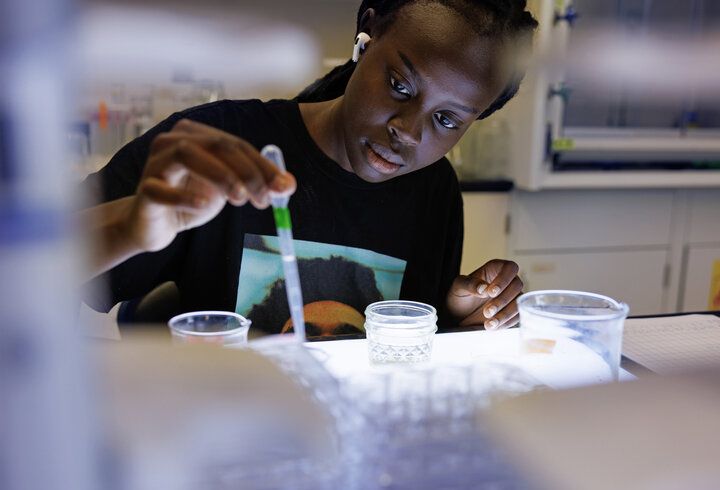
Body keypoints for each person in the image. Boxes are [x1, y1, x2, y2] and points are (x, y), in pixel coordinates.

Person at [79, 0, 536, 337]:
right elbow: (24, 272)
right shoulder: (224, 146)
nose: (409, 132)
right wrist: (131, 226)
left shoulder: (433, 191)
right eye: (400, 85)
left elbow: (404, 353)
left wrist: (458, 316)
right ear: (368, 30)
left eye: (446, 119)